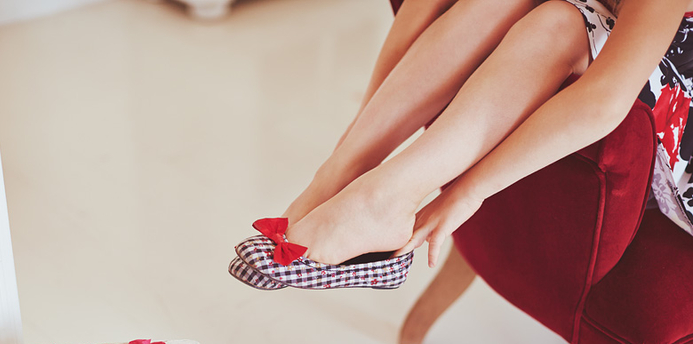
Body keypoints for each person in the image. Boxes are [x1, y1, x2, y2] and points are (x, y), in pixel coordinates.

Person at [280, 0, 693, 270]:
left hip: (677, 144)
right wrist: (347, 160)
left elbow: (604, 102)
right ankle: (346, 177)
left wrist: (466, 193)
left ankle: (386, 200)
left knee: (558, 25)